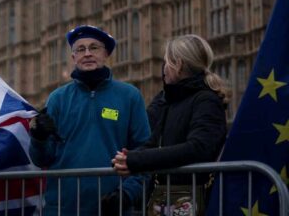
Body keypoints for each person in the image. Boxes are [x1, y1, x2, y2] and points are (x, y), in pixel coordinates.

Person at [29, 25, 151, 215]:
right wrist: (39, 138)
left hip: (113, 207)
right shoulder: (57, 98)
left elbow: (144, 154)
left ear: (106, 54)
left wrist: (127, 194)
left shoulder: (130, 96)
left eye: (94, 48)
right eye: (80, 49)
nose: (87, 53)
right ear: (73, 57)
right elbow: (42, 159)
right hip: (63, 207)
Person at [111, 34, 228, 213]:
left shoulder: (206, 101)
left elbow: (199, 148)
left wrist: (138, 160)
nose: (163, 69)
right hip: (163, 198)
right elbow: (153, 140)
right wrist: (129, 157)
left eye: (166, 62)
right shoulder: (169, 100)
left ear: (178, 65)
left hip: (191, 199)